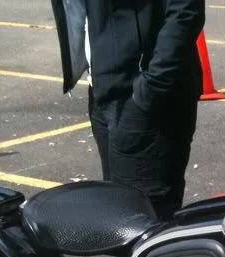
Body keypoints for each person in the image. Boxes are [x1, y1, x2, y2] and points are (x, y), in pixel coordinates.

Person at [52, 0, 205, 219]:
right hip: (104, 89)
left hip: (146, 98)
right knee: (119, 215)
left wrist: (152, 86)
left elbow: (185, 10)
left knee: (146, 221)